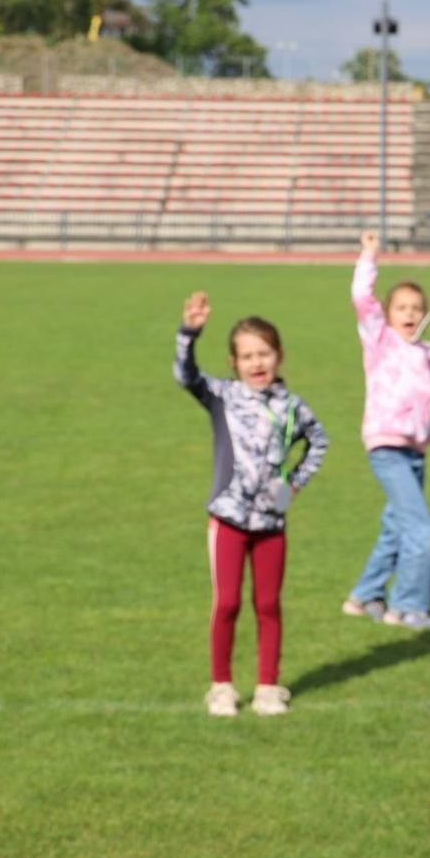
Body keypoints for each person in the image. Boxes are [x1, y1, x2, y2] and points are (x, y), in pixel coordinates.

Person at [174, 294, 329, 717]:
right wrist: (189, 333)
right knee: (227, 603)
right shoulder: (222, 397)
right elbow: (185, 376)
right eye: (247, 356)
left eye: (264, 353)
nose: (257, 363)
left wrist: (292, 486)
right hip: (227, 519)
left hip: (271, 524)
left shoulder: (291, 406)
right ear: (234, 361)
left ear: (279, 356)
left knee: (268, 604)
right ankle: (221, 685)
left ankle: (268, 686)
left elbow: (319, 441)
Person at [342, 231, 430, 630]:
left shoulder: (427, 352)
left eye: (416, 309)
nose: (408, 314)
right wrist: (369, 255)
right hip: (387, 446)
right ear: (387, 314)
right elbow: (361, 297)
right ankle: (407, 607)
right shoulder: (380, 340)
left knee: (396, 526)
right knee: (420, 529)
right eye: (401, 307)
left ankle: (365, 595)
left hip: (416, 450)